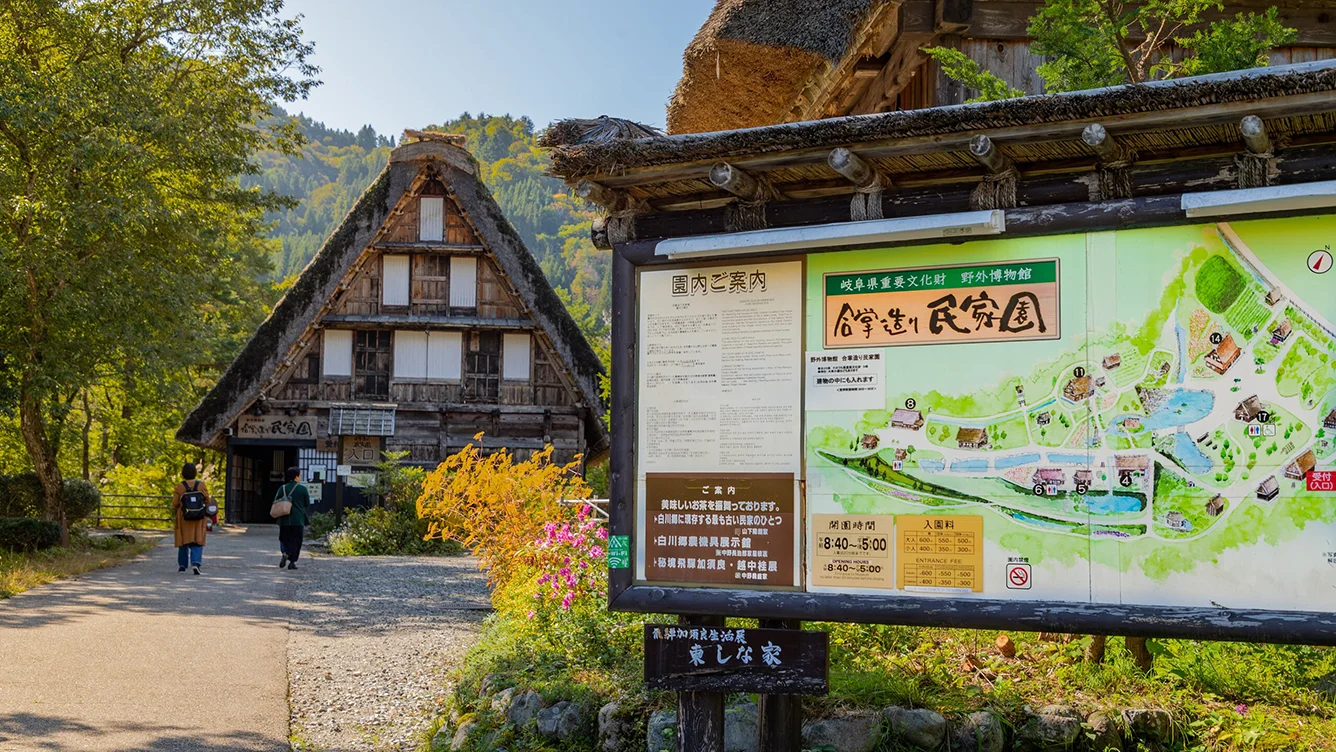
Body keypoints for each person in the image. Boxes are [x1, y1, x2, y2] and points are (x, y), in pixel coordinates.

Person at [173, 463, 211, 575]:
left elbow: (175, 503)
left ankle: (182, 566)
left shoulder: (179, 487)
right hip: (198, 517)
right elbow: (207, 500)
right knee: (197, 540)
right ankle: (195, 563)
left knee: (183, 541)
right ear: (195, 472)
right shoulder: (201, 485)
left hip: (184, 517)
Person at [275, 467, 310, 570]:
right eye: (299, 475)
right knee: (297, 540)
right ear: (296, 476)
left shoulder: (283, 488)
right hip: (298, 519)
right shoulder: (302, 489)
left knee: (284, 539)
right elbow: (307, 503)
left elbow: (276, 500)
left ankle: (285, 552)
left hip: (284, 519)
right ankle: (292, 562)